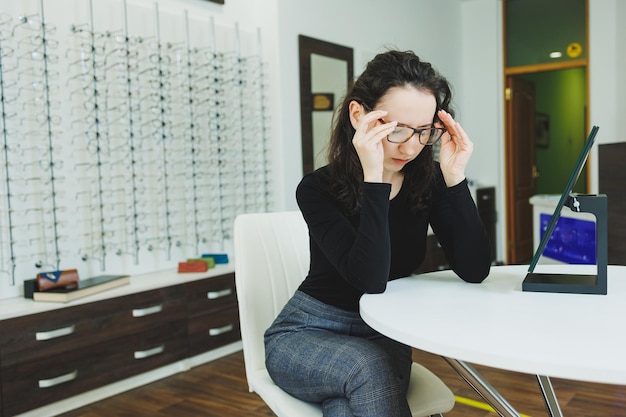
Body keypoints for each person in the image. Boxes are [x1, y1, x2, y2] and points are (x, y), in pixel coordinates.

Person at [264, 49, 492, 417]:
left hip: (384, 333)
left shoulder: (428, 181)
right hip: (306, 332)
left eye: (423, 132)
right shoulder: (317, 188)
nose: (411, 146)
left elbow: (475, 269)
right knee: (366, 367)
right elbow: (369, 278)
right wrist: (375, 180)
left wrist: (454, 177)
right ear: (359, 116)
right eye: (396, 129)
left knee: (347, 404)